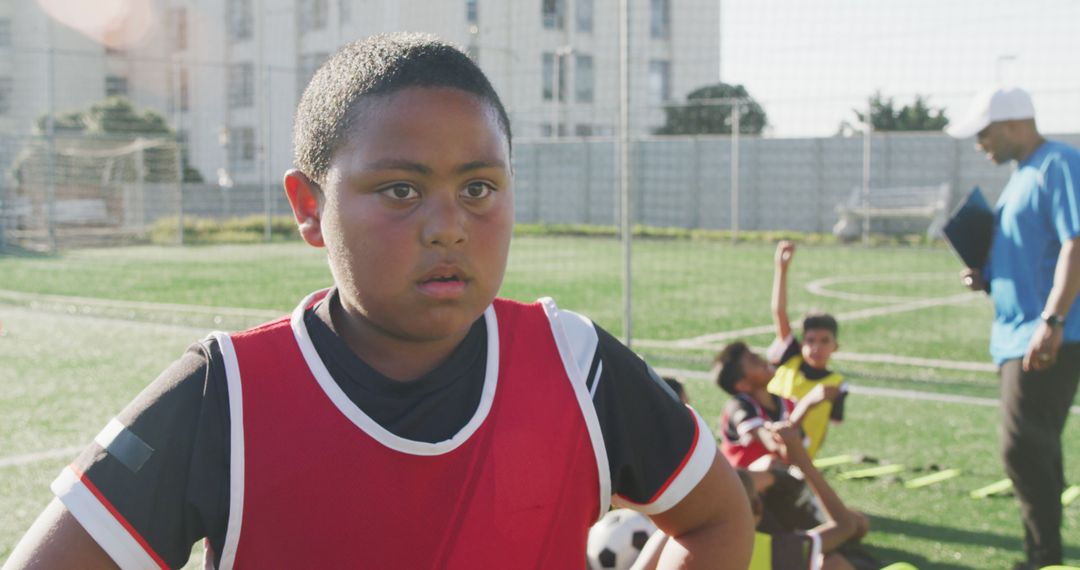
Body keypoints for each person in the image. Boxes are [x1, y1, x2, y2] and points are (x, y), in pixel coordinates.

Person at [4, 33, 752, 569]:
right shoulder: (224, 395)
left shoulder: (577, 366)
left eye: (479, 189)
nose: (449, 227)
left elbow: (718, 518)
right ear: (307, 206)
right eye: (400, 190)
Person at [948, 86, 1080, 569]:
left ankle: (1041, 558)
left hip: (1045, 335)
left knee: (1021, 449)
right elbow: (1030, 254)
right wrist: (986, 275)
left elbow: (1076, 243)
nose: (980, 144)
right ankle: (1046, 553)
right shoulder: (1022, 176)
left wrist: (1052, 319)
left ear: (1012, 124)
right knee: (1036, 445)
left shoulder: (1060, 163)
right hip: (1016, 334)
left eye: (983, 133)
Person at [633, 423, 866, 570]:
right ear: (758, 509)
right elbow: (845, 525)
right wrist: (802, 461)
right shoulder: (774, 550)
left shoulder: (673, 537)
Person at [767, 241, 848, 458]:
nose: (816, 348)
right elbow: (779, 312)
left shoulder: (836, 384)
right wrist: (781, 269)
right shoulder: (790, 357)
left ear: (835, 346)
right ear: (802, 343)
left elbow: (834, 421)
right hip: (765, 447)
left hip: (800, 461)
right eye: (810, 340)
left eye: (824, 341)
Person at [713, 341, 833, 470]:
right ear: (743, 385)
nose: (764, 362)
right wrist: (805, 405)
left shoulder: (788, 403)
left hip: (778, 481)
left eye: (758, 357)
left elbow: (795, 456)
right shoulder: (739, 405)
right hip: (741, 484)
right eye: (754, 362)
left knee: (792, 475)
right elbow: (772, 444)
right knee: (771, 465)